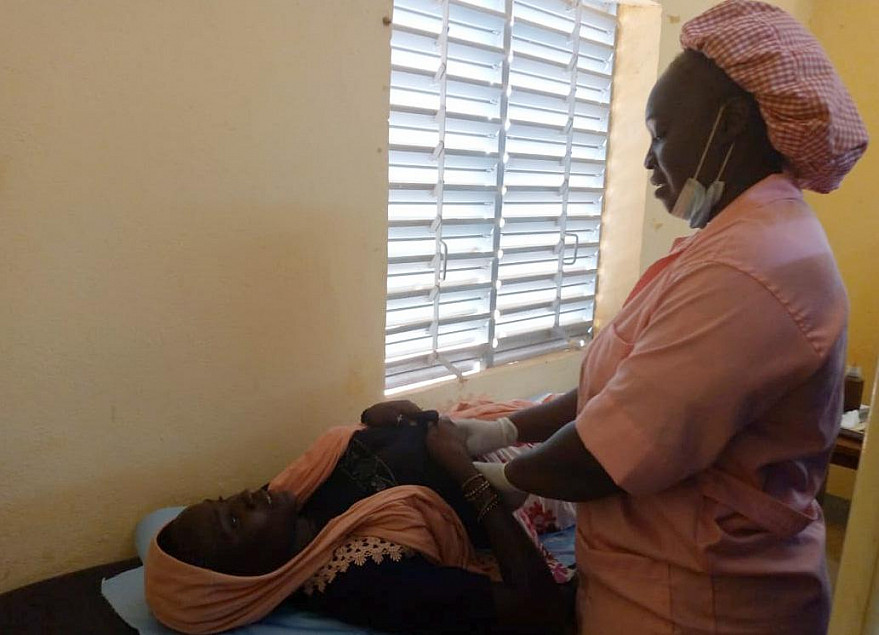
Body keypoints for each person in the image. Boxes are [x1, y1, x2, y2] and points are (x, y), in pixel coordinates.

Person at [369, 2, 868, 634]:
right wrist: (504, 430)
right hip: (650, 577)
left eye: (661, 135)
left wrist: (494, 479)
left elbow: (606, 454)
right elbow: (627, 388)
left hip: (700, 602)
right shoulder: (734, 239)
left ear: (731, 122)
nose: (648, 161)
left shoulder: (754, 268)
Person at [144, 411, 572, 635]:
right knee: (607, 417)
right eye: (235, 518)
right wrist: (465, 473)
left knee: (596, 396)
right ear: (247, 580)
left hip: (478, 437)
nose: (246, 495)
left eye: (225, 501)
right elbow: (538, 609)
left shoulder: (291, 501)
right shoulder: (369, 581)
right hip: (517, 486)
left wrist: (379, 419)